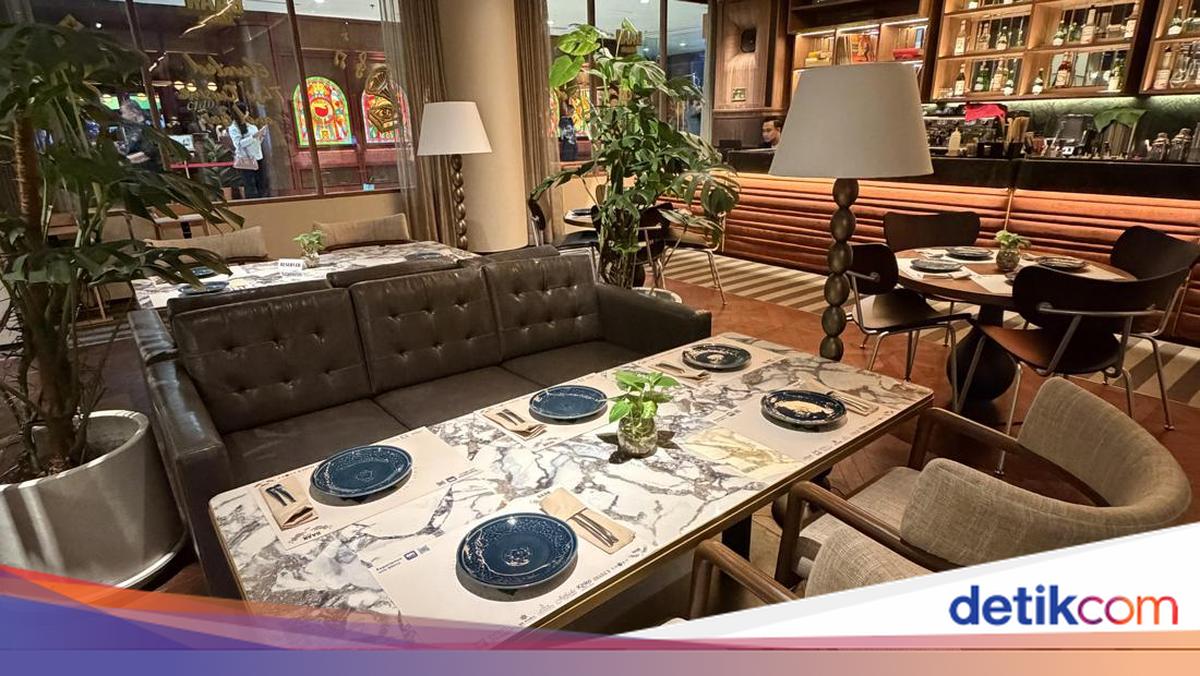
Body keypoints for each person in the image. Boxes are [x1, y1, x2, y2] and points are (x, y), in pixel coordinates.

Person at [228, 102, 269, 199]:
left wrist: (261, 135)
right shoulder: (233, 128)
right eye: (246, 110)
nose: (248, 113)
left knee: (261, 183)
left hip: (258, 157)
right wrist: (253, 137)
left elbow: (256, 142)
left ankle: (263, 201)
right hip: (246, 159)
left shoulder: (251, 126)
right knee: (250, 185)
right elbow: (238, 144)